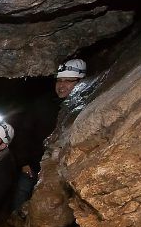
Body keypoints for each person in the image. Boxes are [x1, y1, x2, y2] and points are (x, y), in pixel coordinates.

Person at [11, 58, 87, 212]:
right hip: (32, 167)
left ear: (80, 82)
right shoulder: (42, 104)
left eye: (68, 81)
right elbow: (24, 132)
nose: (61, 85)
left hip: (57, 171)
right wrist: (24, 162)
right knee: (20, 201)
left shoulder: (82, 107)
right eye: (59, 80)